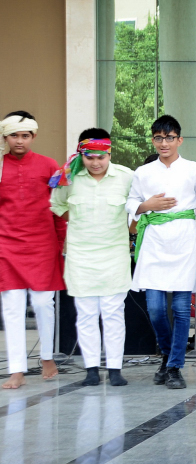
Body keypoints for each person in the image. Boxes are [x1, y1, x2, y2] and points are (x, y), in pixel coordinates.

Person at [126, 115, 196, 390]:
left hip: (185, 241)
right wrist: (145, 205)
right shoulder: (143, 172)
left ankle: (174, 366)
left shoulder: (195, 170)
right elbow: (131, 202)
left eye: (169, 137)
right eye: (159, 138)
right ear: (153, 140)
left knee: (181, 309)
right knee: (156, 309)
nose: (164, 143)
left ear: (179, 140)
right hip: (154, 242)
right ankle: (167, 354)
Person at [49, 128, 133, 387]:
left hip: (114, 256)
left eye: (101, 157)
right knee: (85, 314)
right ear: (81, 154)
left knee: (113, 313)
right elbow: (57, 207)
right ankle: (92, 369)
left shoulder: (127, 177)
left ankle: (116, 369)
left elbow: (137, 209)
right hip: (81, 257)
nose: (96, 163)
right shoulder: (67, 179)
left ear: (109, 153)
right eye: (89, 157)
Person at [0, 112, 65, 389]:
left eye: (25, 135)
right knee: (12, 308)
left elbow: (59, 208)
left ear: (33, 137)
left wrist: (62, 243)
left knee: (42, 303)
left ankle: (47, 357)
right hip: (7, 245)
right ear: (5, 137)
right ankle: (17, 369)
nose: (19, 140)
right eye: (14, 135)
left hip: (42, 244)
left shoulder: (50, 166)